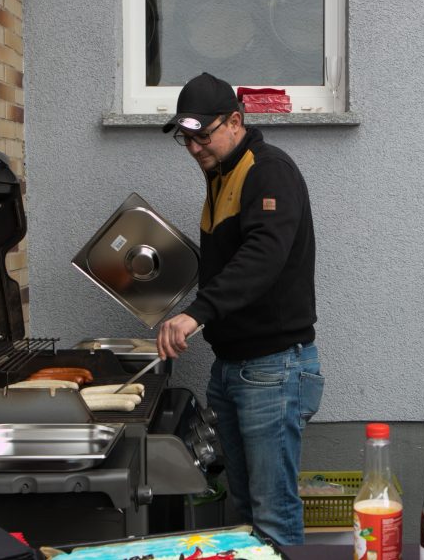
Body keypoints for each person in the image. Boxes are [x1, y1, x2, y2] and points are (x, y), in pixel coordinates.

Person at [156, 72, 323, 545]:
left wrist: (196, 312)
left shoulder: (268, 170)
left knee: (272, 511)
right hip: (232, 369)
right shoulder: (221, 175)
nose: (194, 149)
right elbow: (225, 262)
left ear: (235, 120)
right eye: (185, 140)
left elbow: (263, 257)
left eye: (202, 136)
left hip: (273, 369)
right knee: (244, 508)